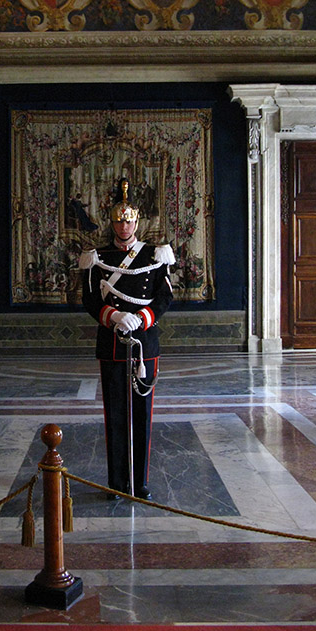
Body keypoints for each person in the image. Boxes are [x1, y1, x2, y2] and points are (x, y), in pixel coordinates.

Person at [79, 178, 174, 500]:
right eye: (119, 221)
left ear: (137, 222)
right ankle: (117, 482)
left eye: (129, 220)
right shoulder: (96, 256)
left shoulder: (154, 255)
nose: (124, 226)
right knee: (115, 414)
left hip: (145, 343)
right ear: (113, 223)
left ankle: (140, 482)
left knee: (142, 414)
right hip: (112, 342)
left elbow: (164, 298)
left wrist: (143, 319)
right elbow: (90, 300)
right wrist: (115, 316)